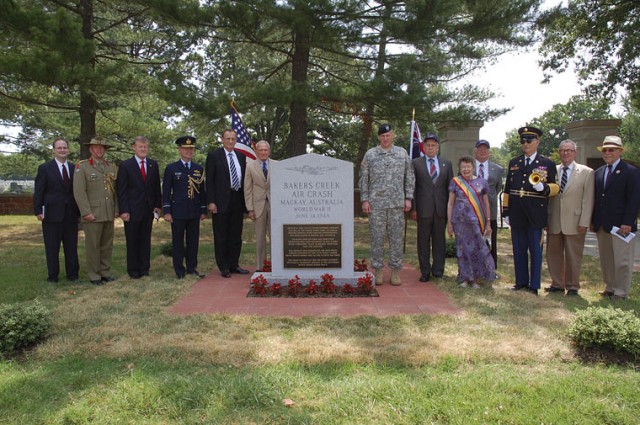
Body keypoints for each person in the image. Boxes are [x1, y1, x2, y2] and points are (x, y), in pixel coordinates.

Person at [502, 126, 559, 295]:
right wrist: (506, 212)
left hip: (535, 213)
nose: (525, 144)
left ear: (537, 142)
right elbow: (507, 189)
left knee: (535, 249)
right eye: (523, 141)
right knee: (518, 248)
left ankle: (534, 285)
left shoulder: (546, 163)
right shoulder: (514, 162)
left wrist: (544, 188)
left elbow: (556, 187)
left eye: (529, 140)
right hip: (517, 212)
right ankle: (520, 281)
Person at [359, 124, 414, 286]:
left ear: (393, 135)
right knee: (377, 238)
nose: (385, 138)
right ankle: (378, 270)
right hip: (376, 205)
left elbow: (409, 176)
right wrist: (365, 199)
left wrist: (408, 197)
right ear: (378, 137)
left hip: (397, 204)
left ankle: (395, 272)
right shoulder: (370, 154)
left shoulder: (402, 153)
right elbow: (364, 178)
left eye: (388, 135)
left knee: (396, 239)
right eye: (383, 136)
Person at [591, 135, 640, 300]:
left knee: (622, 261)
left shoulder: (631, 172)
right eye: (605, 150)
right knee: (607, 260)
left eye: (611, 150)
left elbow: (634, 199)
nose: (607, 153)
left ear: (619, 151)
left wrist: (628, 221)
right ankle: (610, 287)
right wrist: (593, 220)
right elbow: (597, 199)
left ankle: (621, 292)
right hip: (602, 225)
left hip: (621, 226)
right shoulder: (599, 173)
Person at [545, 140, 594, 296]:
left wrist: (584, 221)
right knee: (553, 254)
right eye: (562, 150)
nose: (565, 153)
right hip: (554, 220)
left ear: (575, 152)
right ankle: (557, 283)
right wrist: (545, 220)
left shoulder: (587, 172)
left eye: (569, 150)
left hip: (575, 220)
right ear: (559, 152)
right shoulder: (552, 171)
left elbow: (588, 199)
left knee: (574, 256)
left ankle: (573, 286)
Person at [33, 138, 80, 283]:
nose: (62, 150)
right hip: (51, 215)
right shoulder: (45, 168)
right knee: (52, 248)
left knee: (71, 247)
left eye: (65, 147)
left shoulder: (75, 168)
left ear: (68, 150)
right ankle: (53, 276)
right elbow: (39, 191)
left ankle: (73, 275)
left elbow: (78, 192)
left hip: (71, 214)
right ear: (54, 150)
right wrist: (38, 211)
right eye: (59, 148)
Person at [73, 137, 119, 285]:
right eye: (96, 148)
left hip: (108, 212)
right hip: (92, 214)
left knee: (107, 244)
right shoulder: (83, 167)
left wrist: (116, 210)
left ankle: (105, 272)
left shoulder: (111, 166)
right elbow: (79, 192)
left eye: (102, 148)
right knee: (93, 246)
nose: (99, 150)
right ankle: (94, 275)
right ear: (90, 149)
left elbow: (115, 191)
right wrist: (86, 212)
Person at [116, 136, 162, 279]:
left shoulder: (153, 165)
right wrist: (124, 210)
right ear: (133, 147)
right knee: (133, 240)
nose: (143, 149)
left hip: (148, 209)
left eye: (145, 147)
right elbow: (121, 190)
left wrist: (157, 206)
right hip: (131, 210)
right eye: (140, 146)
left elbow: (156, 188)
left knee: (145, 240)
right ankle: (133, 270)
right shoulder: (126, 165)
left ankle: (144, 269)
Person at [206, 129, 249, 278]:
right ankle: (223, 266)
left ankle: (234, 264)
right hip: (220, 201)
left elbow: (244, 180)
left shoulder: (240, 156)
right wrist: (211, 201)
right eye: (228, 138)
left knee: (236, 235)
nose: (230, 141)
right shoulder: (214, 156)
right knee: (221, 235)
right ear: (222, 139)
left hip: (237, 199)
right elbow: (209, 181)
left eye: (233, 139)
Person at [162, 136, 207, 279]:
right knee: (178, 242)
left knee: (193, 241)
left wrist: (203, 209)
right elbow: (166, 191)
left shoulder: (198, 168)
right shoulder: (172, 168)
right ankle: (179, 270)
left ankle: (191, 267)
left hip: (193, 211)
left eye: (191, 149)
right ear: (180, 150)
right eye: (186, 149)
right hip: (178, 212)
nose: (189, 151)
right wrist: (167, 211)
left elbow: (202, 191)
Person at [411, 132, 453, 282]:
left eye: (433, 145)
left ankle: (438, 271)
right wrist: (414, 208)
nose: (430, 147)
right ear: (423, 147)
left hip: (441, 209)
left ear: (437, 147)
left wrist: (450, 210)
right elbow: (413, 188)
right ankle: (425, 272)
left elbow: (450, 189)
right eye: (428, 145)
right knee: (423, 242)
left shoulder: (446, 164)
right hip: (423, 209)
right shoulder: (416, 163)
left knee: (439, 241)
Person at [447, 156, 495, 287]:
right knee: (461, 250)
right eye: (463, 167)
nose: (466, 169)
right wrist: (449, 223)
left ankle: (475, 278)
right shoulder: (455, 182)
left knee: (477, 249)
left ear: (473, 167)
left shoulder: (482, 182)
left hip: (476, 222)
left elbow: (486, 204)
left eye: (468, 167)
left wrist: (488, 223)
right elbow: (450, 203)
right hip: (459, 222)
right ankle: (464, 277)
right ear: (459, 169)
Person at [244, 140, 277, 272]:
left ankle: (276, 265)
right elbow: (247, 189)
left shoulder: (278, 165)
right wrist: (250, 208)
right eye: (261, 150)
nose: (263, 152)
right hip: (258, 206)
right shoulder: (250, 166)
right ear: (256, 151)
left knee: (275, 236)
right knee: (260, 238)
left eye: (266, 150)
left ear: (269, 151)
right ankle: (260, 266)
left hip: (275, 206)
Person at [474, 139, 504, 271]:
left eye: (485, 149)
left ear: (489, 152)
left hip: (490, 210)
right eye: (480, 148)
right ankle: (475, 268)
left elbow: (497, 188)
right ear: (475, 151)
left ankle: (491, 269)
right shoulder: (468, 166)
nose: (482, 151)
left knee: (491, 240)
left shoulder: (497, 169)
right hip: (473, 210)